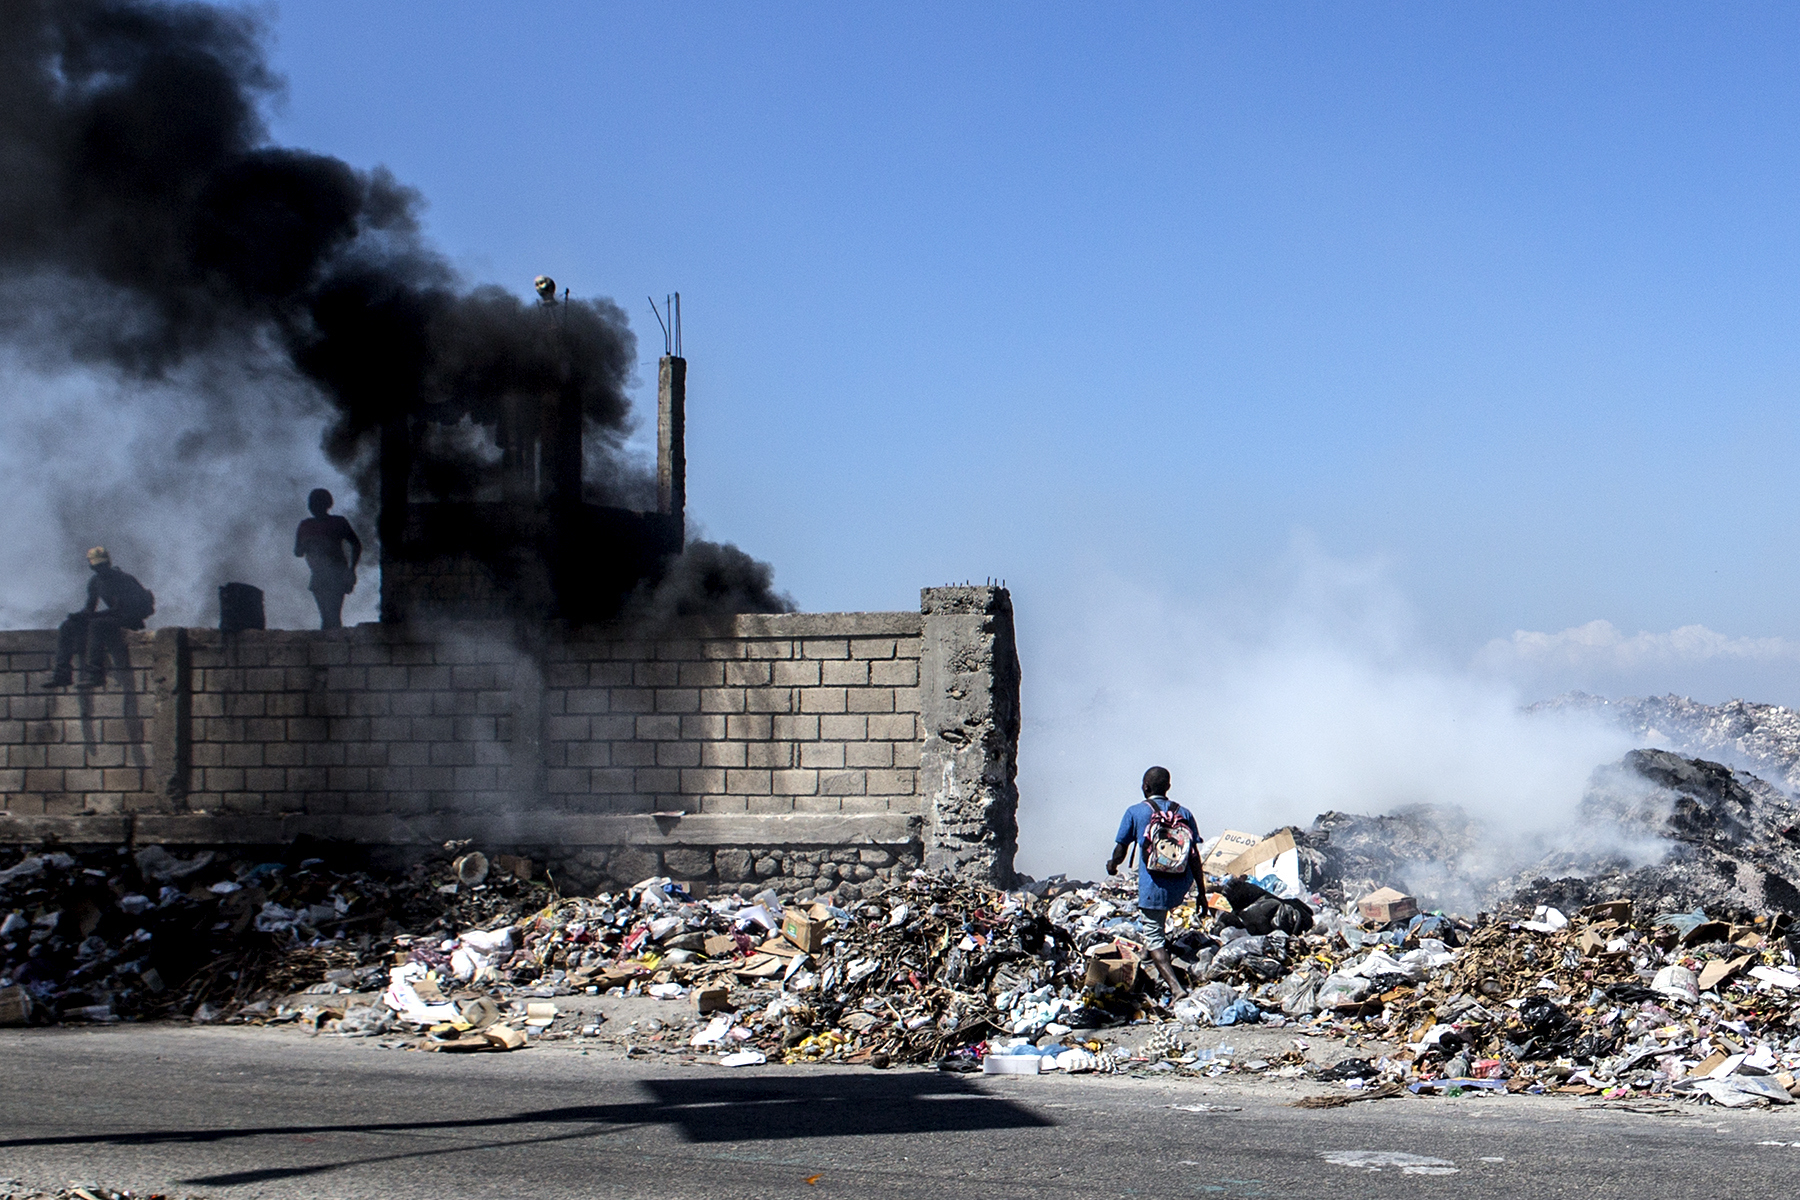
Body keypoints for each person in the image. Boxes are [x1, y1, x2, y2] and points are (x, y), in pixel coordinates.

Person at [1106, 765, 1206, 1000]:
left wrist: (1112, 865)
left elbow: (1121, 850)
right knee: (1155, 931)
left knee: (1154, 937)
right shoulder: (1185, 813)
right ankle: (1147, 963)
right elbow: (1194, 856)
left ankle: (1176, 988)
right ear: (1168, 787)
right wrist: (1201, 892)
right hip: (1180, 885)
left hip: (1153, 887)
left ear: (1145, 787)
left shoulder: (1135, 812)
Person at [47, 547, 154, 688]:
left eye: (102, 565)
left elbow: (120, 608)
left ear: (108, 563)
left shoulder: (123, 579)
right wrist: (79, 617)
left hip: (130, 618)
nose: (100, 569)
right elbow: (90, 608)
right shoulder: (95, 582)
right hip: (113, 616)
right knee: (67, 626)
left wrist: (92, 616)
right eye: (97, 566)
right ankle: (62, 674)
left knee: (97, 625)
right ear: (92, 566)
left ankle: (95, 674)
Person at [294, 488, 362, 630]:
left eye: (317, 503)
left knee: (331, 616)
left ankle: (333, 646)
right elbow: (298, 552)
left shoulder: (338, 523)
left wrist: (351, 570)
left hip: (337, 574)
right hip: (319, 575)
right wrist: (307, 545)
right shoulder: (305, 525)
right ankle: (332, 645)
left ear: (326, 504)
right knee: (327, 617)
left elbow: (356, 544)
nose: (313, 507)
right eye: (312, 504)